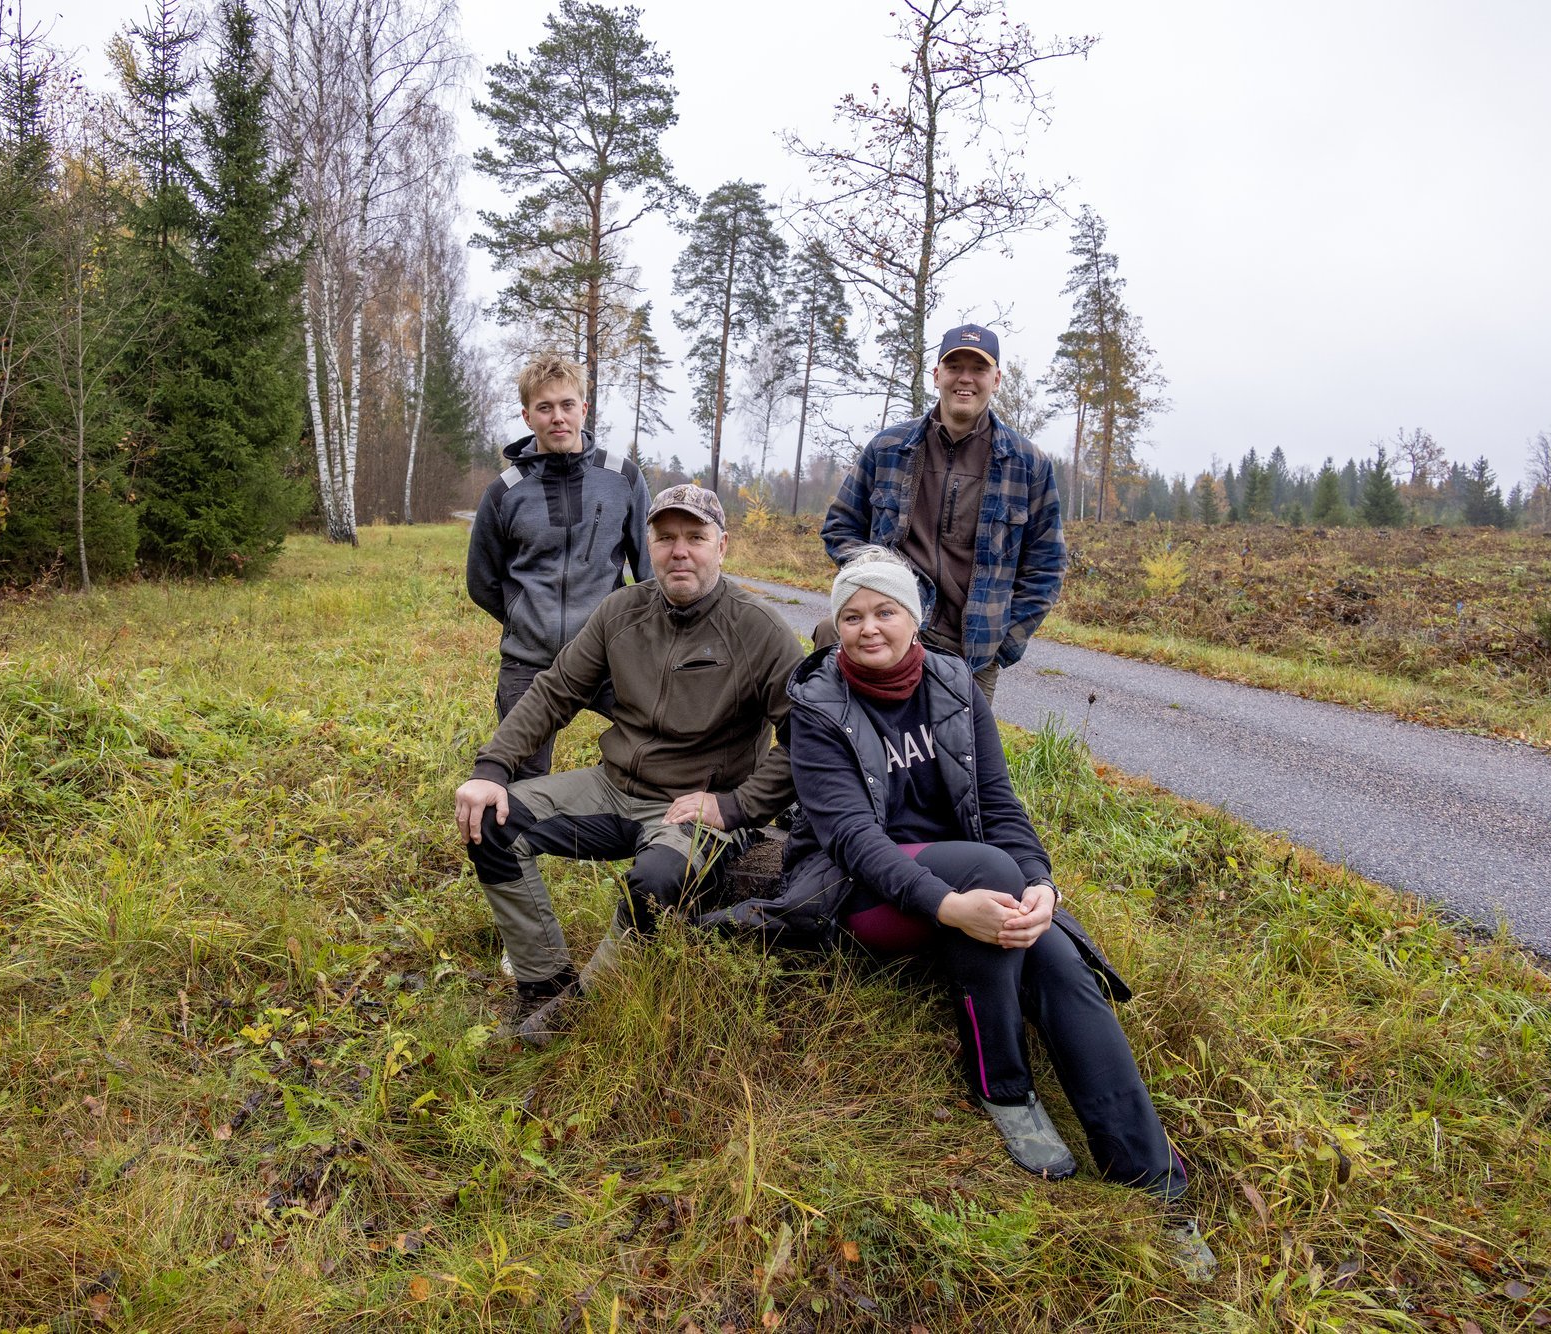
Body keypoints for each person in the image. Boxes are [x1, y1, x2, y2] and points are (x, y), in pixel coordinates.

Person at [758, 547, 1214, 1276]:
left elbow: (999, 803)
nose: (869, 628)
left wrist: (1041, 886)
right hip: (858, 896)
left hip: (974, 883)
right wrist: (948, 904)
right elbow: (850, 838)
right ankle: (1002, 1083)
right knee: (985, 868)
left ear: (916, 616)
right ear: (835, 625)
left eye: (884, 610)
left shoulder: (953, 685)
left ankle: (1152, 1181)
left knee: (1063, 964)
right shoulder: (816, 706)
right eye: (852, 615)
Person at [455, 484, 804, 1040]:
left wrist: (738, 806)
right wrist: (491, 769)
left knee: (655, 881)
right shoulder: (621, 611)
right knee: (492, 825)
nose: (679, 551)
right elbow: (554, 692)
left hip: (694, 807)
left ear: (723, 546)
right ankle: (544, 984)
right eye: (665, 538)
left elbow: (803, 741)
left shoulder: (760, 631)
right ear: (650, 544)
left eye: (695, 537)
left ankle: (576, 1015)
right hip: (613, 789)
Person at [819, 324, 1065, 700]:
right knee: (857, 745)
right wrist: (878, 572)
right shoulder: (887, 449)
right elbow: (840, 529)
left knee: (957, 759)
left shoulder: (1028, 464)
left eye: (978, 369)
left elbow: (1046, 568)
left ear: (996, 379)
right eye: (954, 367)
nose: (965, 379)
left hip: (971, 654)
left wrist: (1002, 644)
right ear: (937, 376)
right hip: (888, 634)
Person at [467, 353, 652, 781]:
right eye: (544, 408)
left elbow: (649, 569)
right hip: (529, 662)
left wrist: (631, 630)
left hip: (609, 655)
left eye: (567, 405)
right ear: (527, 415)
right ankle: (518, 846)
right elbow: (482, 580)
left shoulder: (622, 477)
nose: (558, 417)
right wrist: (526, 618)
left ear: (584, 409)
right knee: (521, 776)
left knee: (659, 741)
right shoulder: (503, 493)